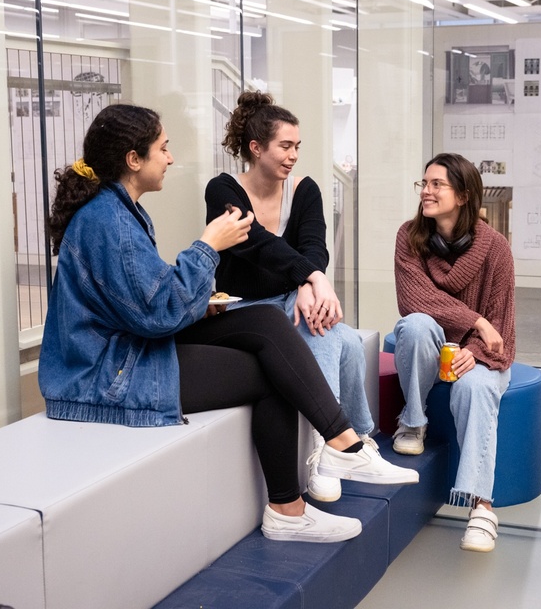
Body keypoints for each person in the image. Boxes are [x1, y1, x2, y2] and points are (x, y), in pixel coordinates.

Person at [38, 103, 418, 544]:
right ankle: (297, 501)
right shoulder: (110, 220)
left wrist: (208, 285)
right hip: (107, 375)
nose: (171, 158)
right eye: (163, 148)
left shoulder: (118, 211)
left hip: (130, 350)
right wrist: (207, 246)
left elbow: (146, 301)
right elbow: (158, 314)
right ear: (133, 159)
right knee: (273, 371)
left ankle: (340, 447)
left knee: (264, 323)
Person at [204, 91, 380, 503]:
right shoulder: (222, 188)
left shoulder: (305, 189)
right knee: (343, 339)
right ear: (256, 147)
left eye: (297, 146)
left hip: (289, 297)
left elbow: (314, 246)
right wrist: (310, 277)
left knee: (328, 326)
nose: (293, 155)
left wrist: (306, 284)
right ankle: (343, 441)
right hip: (244, 306)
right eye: (285, 146)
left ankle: (335, 448)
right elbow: (255, 244)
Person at [390, 153, 516, 552]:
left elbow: (501, 328)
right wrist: (475, 321)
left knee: (475, 388)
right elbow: (415, 299)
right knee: (415, 324)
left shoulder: (495, 248)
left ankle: (481, 507)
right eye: (423, 184)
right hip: (433, 341)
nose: (426, 191)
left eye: (436, 185)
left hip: (479, 353)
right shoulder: (409, 236)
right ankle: (413, 422)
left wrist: (475, 352)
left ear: (462, 195)